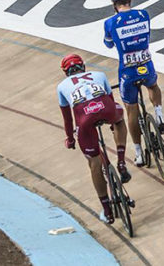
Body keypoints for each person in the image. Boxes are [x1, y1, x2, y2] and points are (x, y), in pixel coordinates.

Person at [56, 53, 131, 224]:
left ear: (65, 72)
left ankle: (108, 212)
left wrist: (70, 139)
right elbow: (111, 100)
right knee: (119, 121)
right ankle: (121, 161)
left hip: (84, 119)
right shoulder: (99, 75)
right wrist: (113, 124)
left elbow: (68, 119)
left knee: (94, 165)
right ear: (83, 67)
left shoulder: (61, 86)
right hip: (106, 108)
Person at [103, 0, 164, 168]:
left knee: (131, 110)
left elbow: (108, 44)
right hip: (146, 65)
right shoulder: (143, 14)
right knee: (153, 86)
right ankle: (159, 114)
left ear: (113, 3)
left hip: (128, 72)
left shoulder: (110, 23)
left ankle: (138, 152)